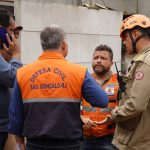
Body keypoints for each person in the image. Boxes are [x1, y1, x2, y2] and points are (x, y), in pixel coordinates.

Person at [9, 25, 109, 150]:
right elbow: (102, 100)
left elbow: (15, 115)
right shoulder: (78, 72)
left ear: (43, 46)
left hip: (34, 145)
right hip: (68, 145)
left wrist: (20, 143)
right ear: (63, 46)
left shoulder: (22, 73)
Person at [98, 14, 150, 150]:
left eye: (125, 37)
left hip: (137, 141)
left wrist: (115, 114)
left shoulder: (145, 61)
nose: (123, 42)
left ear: (136, 33)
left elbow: (136, 105)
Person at [80, 44, 120, 150]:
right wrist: (81, 119)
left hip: (111, 139)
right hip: (85, 139)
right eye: (95, 58)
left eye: (103, 58)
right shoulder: (83, 81)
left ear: (111, 63)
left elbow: (127, 108)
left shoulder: (119, 82)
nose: (98, 60)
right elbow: (72, 106)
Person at [0, 8, 22, 150]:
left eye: (17, 33)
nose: (15, 36)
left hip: (7, 127)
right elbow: (14, 78)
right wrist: (16, 55)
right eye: (11, 31)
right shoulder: (13, 56)